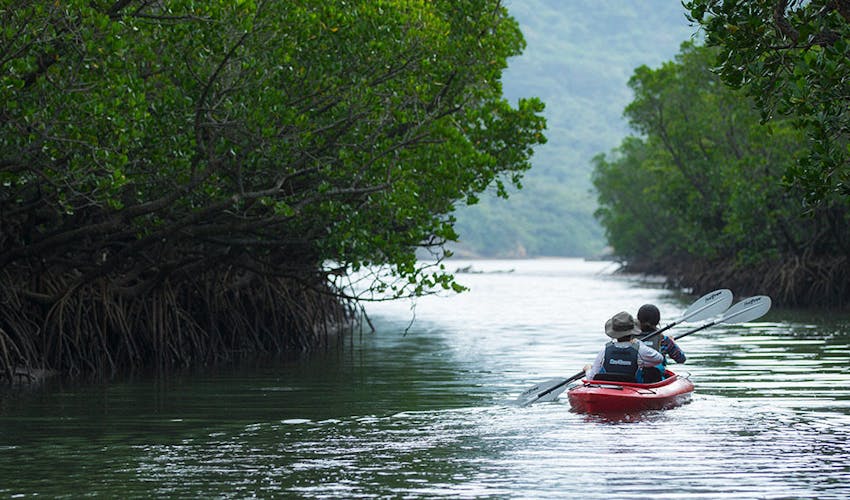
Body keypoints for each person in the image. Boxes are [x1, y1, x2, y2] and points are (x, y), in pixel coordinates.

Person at [583, 311, 664, 383]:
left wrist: (588, 369)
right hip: (634, 388)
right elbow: (659, 359)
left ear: (614, 333)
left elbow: (591, 378)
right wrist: (639, 344)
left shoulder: (605, 350)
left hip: (608, 388)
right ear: (632, 332)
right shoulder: (640, 349)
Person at [636, 304, 687, 383]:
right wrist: (672, 343)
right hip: (656, 381)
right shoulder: (664, 340)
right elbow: (681, 359)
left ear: (638, 320)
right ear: (658, 321)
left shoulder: (629, 338)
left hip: (633, 379)